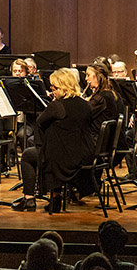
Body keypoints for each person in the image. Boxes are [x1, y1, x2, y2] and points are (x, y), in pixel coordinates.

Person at [18, 68, 94, 213]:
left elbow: (40, 122)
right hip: (85, 154)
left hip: (65, 158)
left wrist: (53, 103)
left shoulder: (57, 106)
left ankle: (29, 199)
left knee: (28, 155)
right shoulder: (85, 104)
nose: (52, 91)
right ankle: (55, 197)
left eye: (53, 88)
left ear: (62, 87)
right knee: (56, 147)